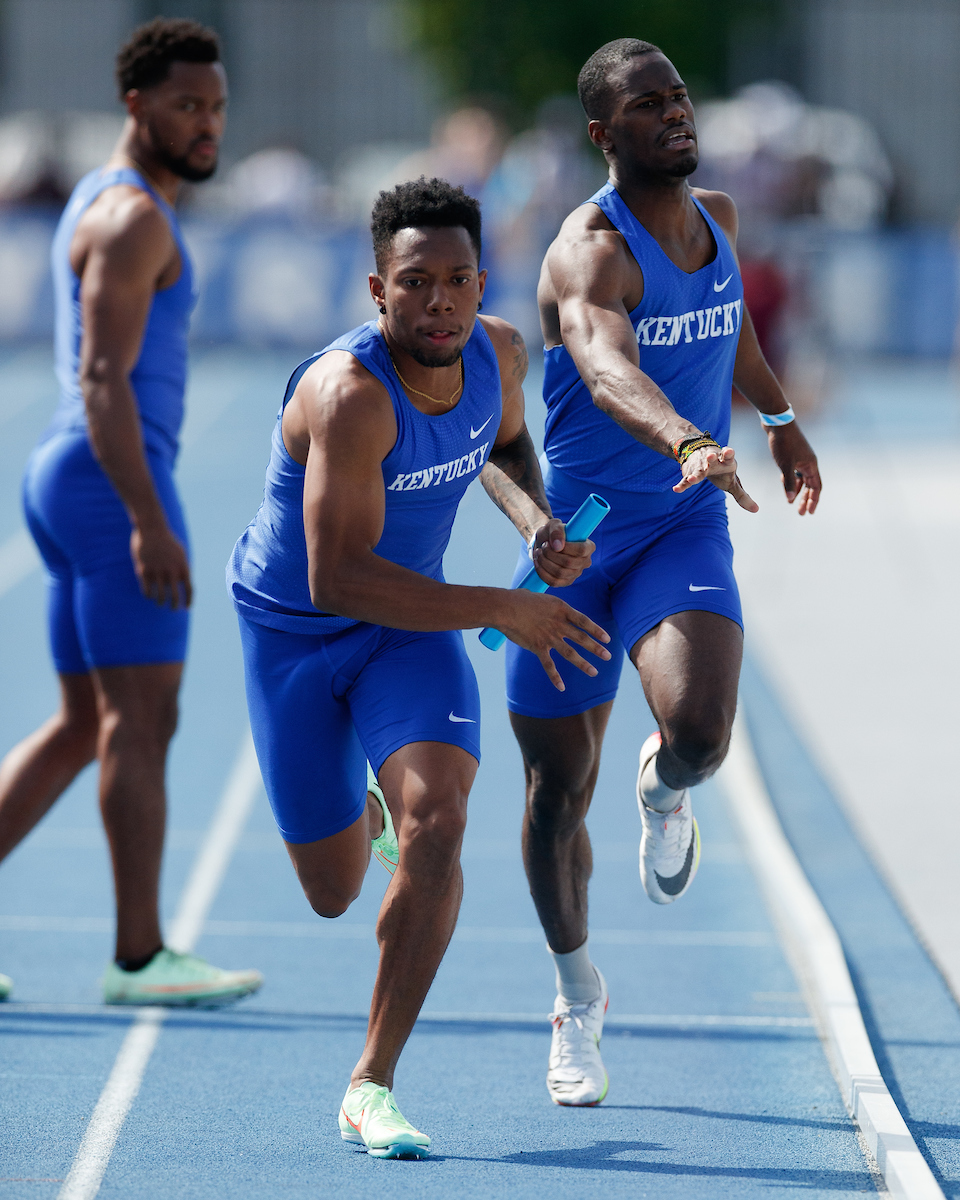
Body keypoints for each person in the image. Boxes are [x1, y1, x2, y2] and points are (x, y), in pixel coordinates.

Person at [227, 177, 610, 1158]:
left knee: (440, 818)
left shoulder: (500, 353)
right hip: (299, 627)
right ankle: (359, 811)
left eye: (455, 280)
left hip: (410, 631)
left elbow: (505, 446)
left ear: (482, 281)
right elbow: (339, 577)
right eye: (414, 283)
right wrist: (501, 606)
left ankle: (372, 1081)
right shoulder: (347, 396)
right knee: (331, 890)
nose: (437, 301)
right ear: (376, 288)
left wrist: (538, 524)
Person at [503, 38, 822, 1107]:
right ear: (605, 135)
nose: (676, 115)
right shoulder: (587, 252)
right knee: (555, 795)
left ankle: (666, 792)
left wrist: (776, 419)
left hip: (681, 532)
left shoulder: (720, 218)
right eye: (649, 106)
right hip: (580, 541)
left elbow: (727, 328)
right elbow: (603, 367)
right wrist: (690, 439)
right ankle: (575, 998)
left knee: (695, 734)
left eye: (680, 97)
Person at [0, 19, 261, 1006]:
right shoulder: (134, 217)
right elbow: (106, 376)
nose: (207, 123)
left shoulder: (102, 199)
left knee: (85, 724)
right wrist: (150, 517)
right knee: (141, 721)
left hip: (80, 480)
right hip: (110, 485)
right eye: (188, 105)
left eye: (218, 106)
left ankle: (140, 949)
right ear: (137, 106)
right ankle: (141, 956)